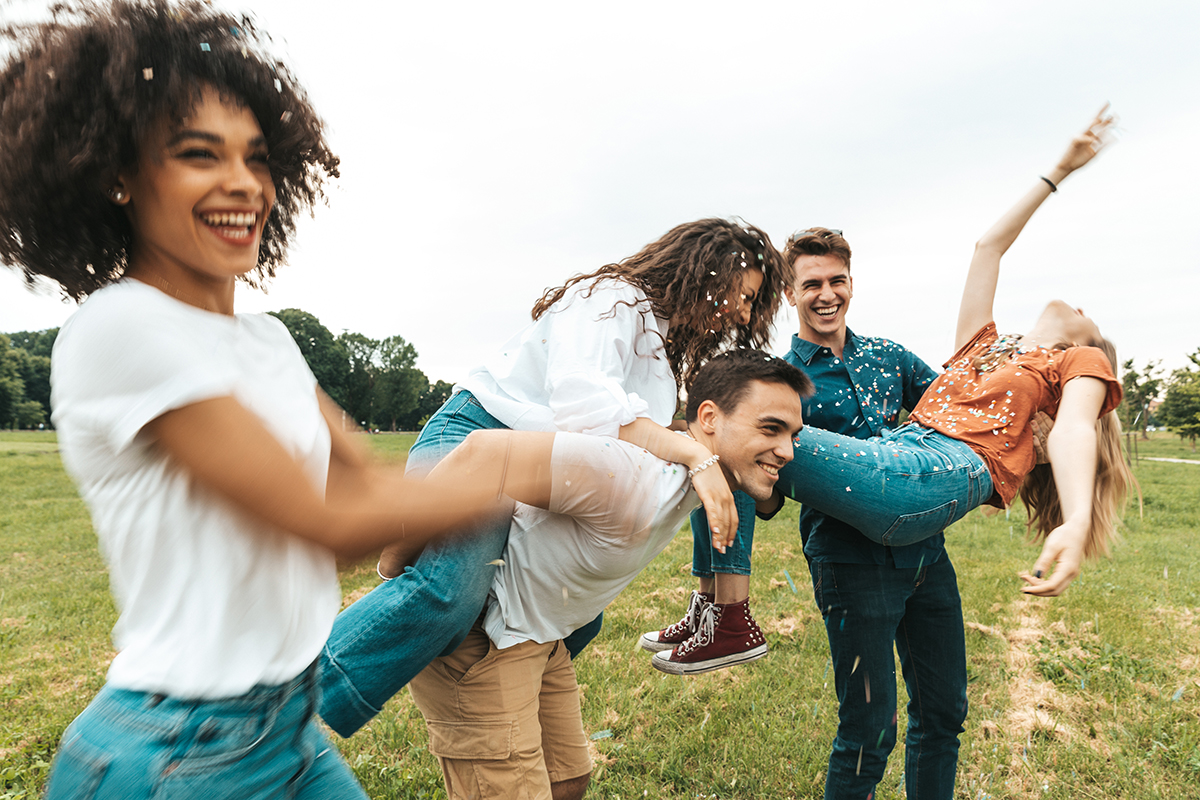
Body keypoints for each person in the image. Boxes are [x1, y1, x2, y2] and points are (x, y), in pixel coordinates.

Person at [0, 3, 506, 797]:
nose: (243, 184)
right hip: (176, 753)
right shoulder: (119, 329)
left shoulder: (268, 339)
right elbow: (326, 523)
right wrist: (536, 471)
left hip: (290, 727)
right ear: (118, 176)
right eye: (199, 155)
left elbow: (367, 487)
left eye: (257, 157)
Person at [651, 108, 1133, 799]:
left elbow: (1076, 431)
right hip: (864, 536)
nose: (826, 294)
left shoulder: (1073, 366)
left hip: (921, 501)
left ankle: (721, 612)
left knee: (944, 713)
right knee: (727, 428)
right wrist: (1059, 170)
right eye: (810, 283)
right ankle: (721, 608)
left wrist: (1076, 518)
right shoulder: (980, 348)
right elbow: (986, 250)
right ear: (792, 294)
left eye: (836, 281)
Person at [319, 217, 788, 736]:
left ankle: (518, 712)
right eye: (742, 296)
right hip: (477, 434)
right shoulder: (612, 299)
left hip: (540, 462)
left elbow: (632, 428)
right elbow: (586, 407)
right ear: (710, 273)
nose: (743, 313)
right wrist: (693, 456)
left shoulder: (661, 341)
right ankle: (292, 701)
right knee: (451, 591)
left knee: (581, 617)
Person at [405, 349, 813, 800]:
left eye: (792, 434)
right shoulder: (633, 474)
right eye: (770, 428)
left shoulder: (681, 480)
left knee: (569, 781)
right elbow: (481, 455)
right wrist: (397, 569)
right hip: (485, 644)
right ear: (710, 418)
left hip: (541, 637)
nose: (787, 451)